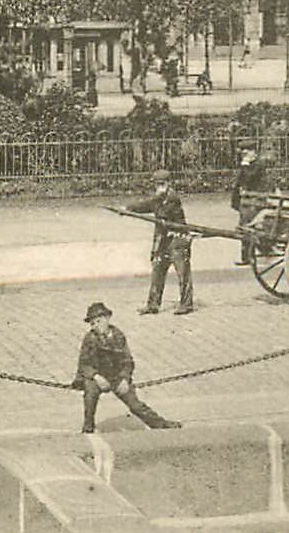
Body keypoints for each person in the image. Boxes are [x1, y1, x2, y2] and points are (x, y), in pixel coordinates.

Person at [73, 302, 180, 433]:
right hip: (97, 376)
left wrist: (124, 378)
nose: (95, 326)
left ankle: (160, 424)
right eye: (92, 324)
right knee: (90, 395)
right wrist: (96, 377)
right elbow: (84, 364)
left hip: (116, 376)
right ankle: (88, 426)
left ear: (107, 319)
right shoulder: (89, 338)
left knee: (135, 405)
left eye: (98, 321)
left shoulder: (118, 336)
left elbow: (127, 361)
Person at [128, 171, 194, 315]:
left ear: (169, 183)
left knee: (183, 273)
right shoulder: (159, 198)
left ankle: (186, 304)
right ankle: (153, 304)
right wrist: (129, 208)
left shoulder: (172, 198)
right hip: (163, 241)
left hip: (178, 240)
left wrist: (146, 206)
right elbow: (145, 206)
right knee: (157, 271)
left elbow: (163, 212)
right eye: (157, 184)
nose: (159, 187)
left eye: (162, 183)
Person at [230, 145, 264, 266]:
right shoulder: (248, 165)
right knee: (245, 227)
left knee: (246, 227)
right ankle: (247, 256)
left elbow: (249, 178)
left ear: (253, 152)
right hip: (247, 200)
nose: (244, 154)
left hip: (254, 201)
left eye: (247, 151)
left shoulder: (258, 164)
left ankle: (248, 256)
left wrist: (244, 165)